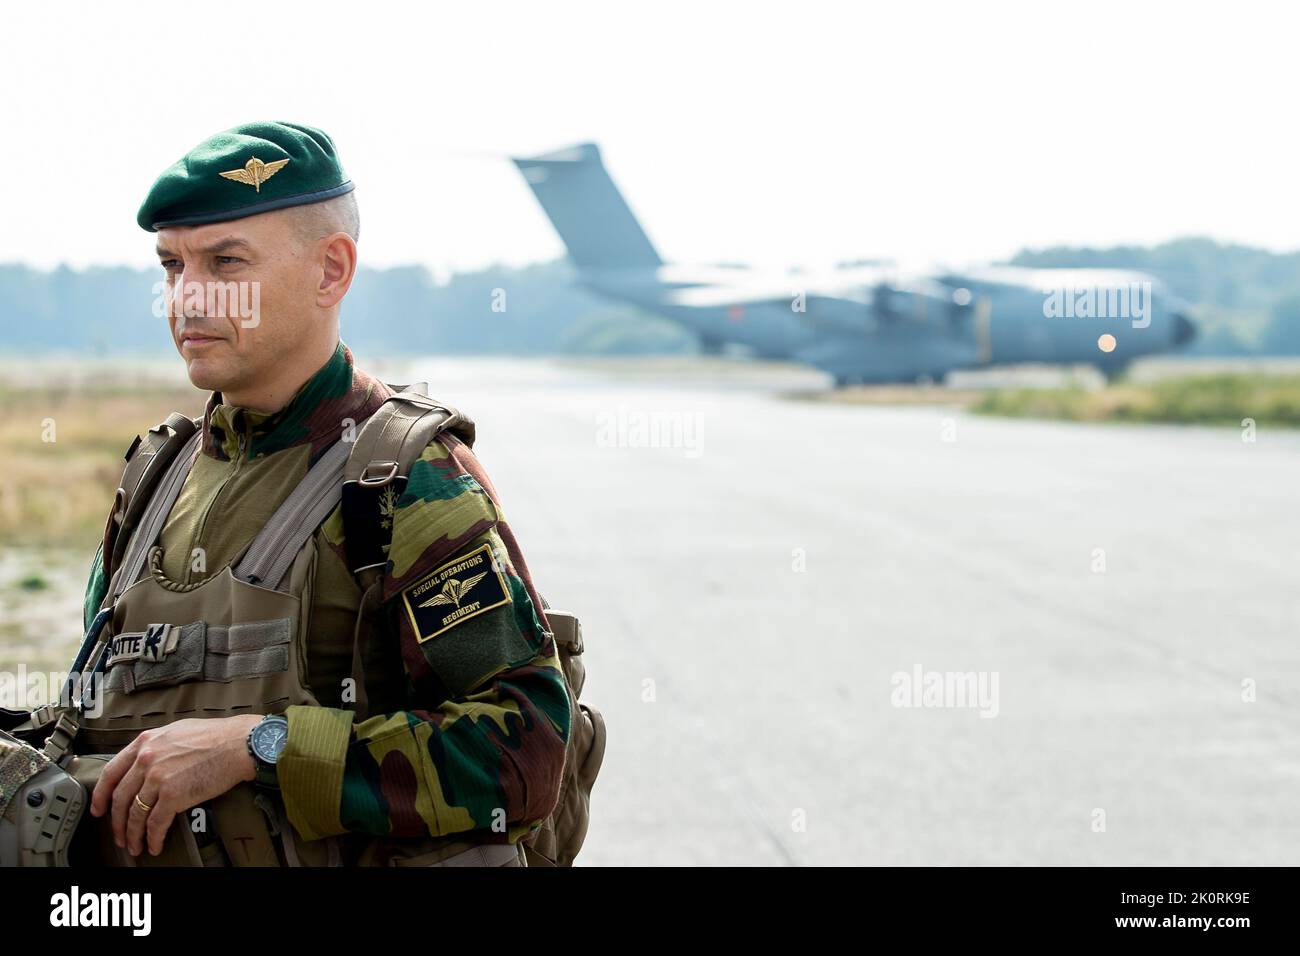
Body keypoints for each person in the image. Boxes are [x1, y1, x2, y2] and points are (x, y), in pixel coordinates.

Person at [74, 121, 571, 866]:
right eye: (173, 266)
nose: (187, 297)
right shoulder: (154, 477)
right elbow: (92, 716)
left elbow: (523, 753)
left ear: (331, 272)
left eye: (225, 262)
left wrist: (260, 747)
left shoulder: (407, 481)